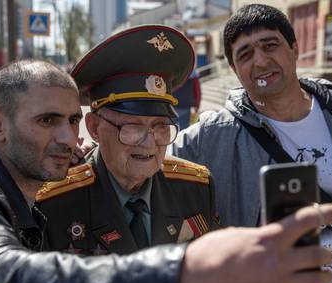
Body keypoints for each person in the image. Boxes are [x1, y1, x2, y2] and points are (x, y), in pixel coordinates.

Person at [0, 58, 332, 283]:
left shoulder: (29, 180)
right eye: (46, 120)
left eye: (71, 120)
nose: (65, 137)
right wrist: (185, 275)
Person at [171, 4, 332, 283]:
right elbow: (148, 160)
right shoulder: (214, 134)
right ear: (234, 69)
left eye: (270, 45)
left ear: (294, 48)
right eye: (245, 54)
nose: (260, 61)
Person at [36, 25, 218, 256]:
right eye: (133, 127)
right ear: (94, 127)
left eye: (160, 127)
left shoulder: (196, 188)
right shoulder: (54, 201)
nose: (150, 144)